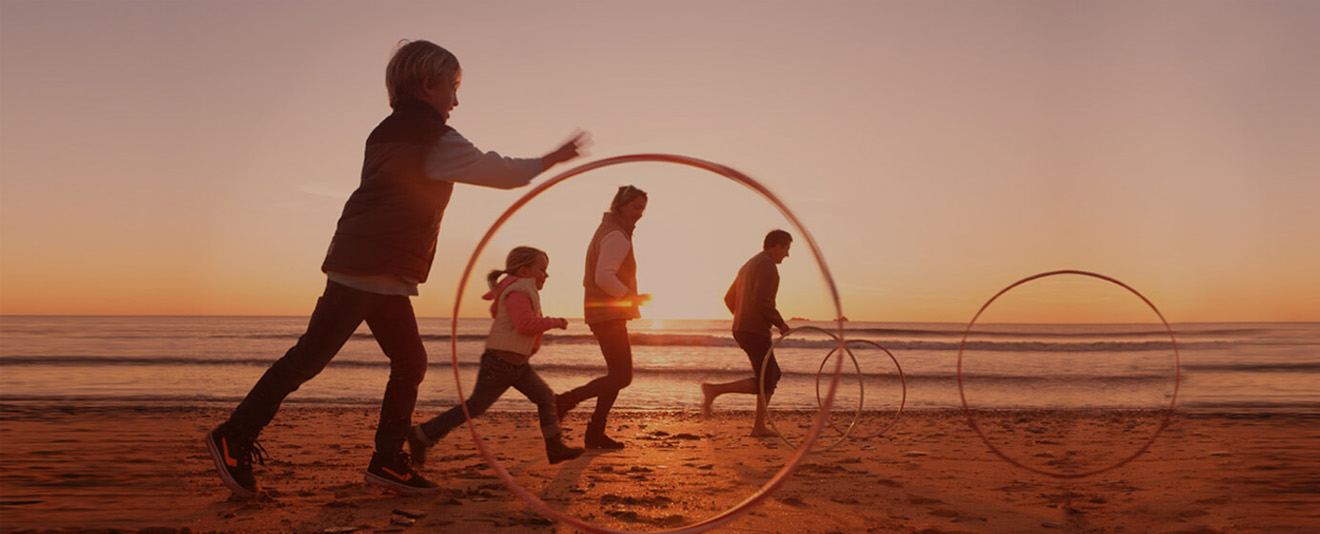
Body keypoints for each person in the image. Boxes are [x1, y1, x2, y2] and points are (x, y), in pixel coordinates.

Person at [204, 40, 589, 498]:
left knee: (407, 362)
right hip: (371, 267)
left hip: (373, 267)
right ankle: (236, 434)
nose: (457, 100)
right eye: (453, 88)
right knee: (311, 359)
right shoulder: (433, 137)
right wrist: (554, 157)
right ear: (428, 86)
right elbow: (501, 173)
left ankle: (387, 460)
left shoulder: (386, 131)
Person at [408, 247, 583, 466]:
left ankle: (555, 448)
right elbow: (524, 325)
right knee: (475, 407)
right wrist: (554, 322)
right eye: (542, 269)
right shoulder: (518, 292)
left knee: (546, 397)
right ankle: (421, 435)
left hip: (517, 364)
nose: (546, 275)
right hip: (500, 365)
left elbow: (507, 318)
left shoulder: (519, 289)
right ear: (524, 270)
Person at [555, 185, 649, 449]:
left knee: (616, 374)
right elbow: (603, 277)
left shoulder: (607, 230)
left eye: (642, 209)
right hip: (607, 313)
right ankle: (565, 401)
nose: (640, 214)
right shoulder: (617, 236)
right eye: (635, 207)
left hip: (602, 312)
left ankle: (595, 433)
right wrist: (631, 296)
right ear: (620, 206)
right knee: (622, 377)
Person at [701, 230, 793, 437]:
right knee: (767, 379)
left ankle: (758, 425)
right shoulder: (768, 265)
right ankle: (715, 391)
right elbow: (762, 300)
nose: (787, 254)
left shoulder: (749, 264)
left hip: (742, 329)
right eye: (786, 248)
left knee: (771, 375)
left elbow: (728, 298)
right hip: (754, 330)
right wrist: (780, 323)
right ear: (777, 245)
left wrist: (741, 316)